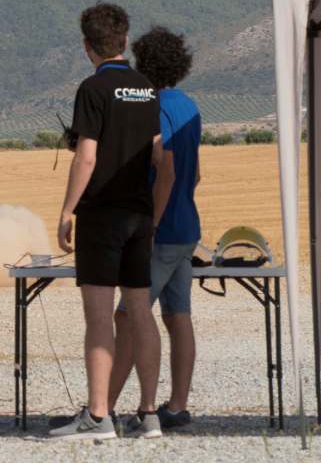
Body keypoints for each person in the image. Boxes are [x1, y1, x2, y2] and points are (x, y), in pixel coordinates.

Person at [49, 4, 173, 441]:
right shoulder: (147, 88)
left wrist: (67, 210)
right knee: (141, 313)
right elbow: (159, 156)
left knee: (99, 317)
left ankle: (99, 416)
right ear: (125, 39)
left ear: (87, 46)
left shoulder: (93, 89)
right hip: (140, 216)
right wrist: (152, 215)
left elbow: (87, 155)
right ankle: (149, 414)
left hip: (102, 216)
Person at [108, 26, 201, 431]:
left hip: (162, 234)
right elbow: (195, 176)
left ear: (143, 63)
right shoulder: (190, 107)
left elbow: (167, 169)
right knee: (178, 316)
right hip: (188, 229)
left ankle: (103, 408)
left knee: (129, 316)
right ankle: (176, 406)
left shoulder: (153, 107)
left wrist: (153, 224)